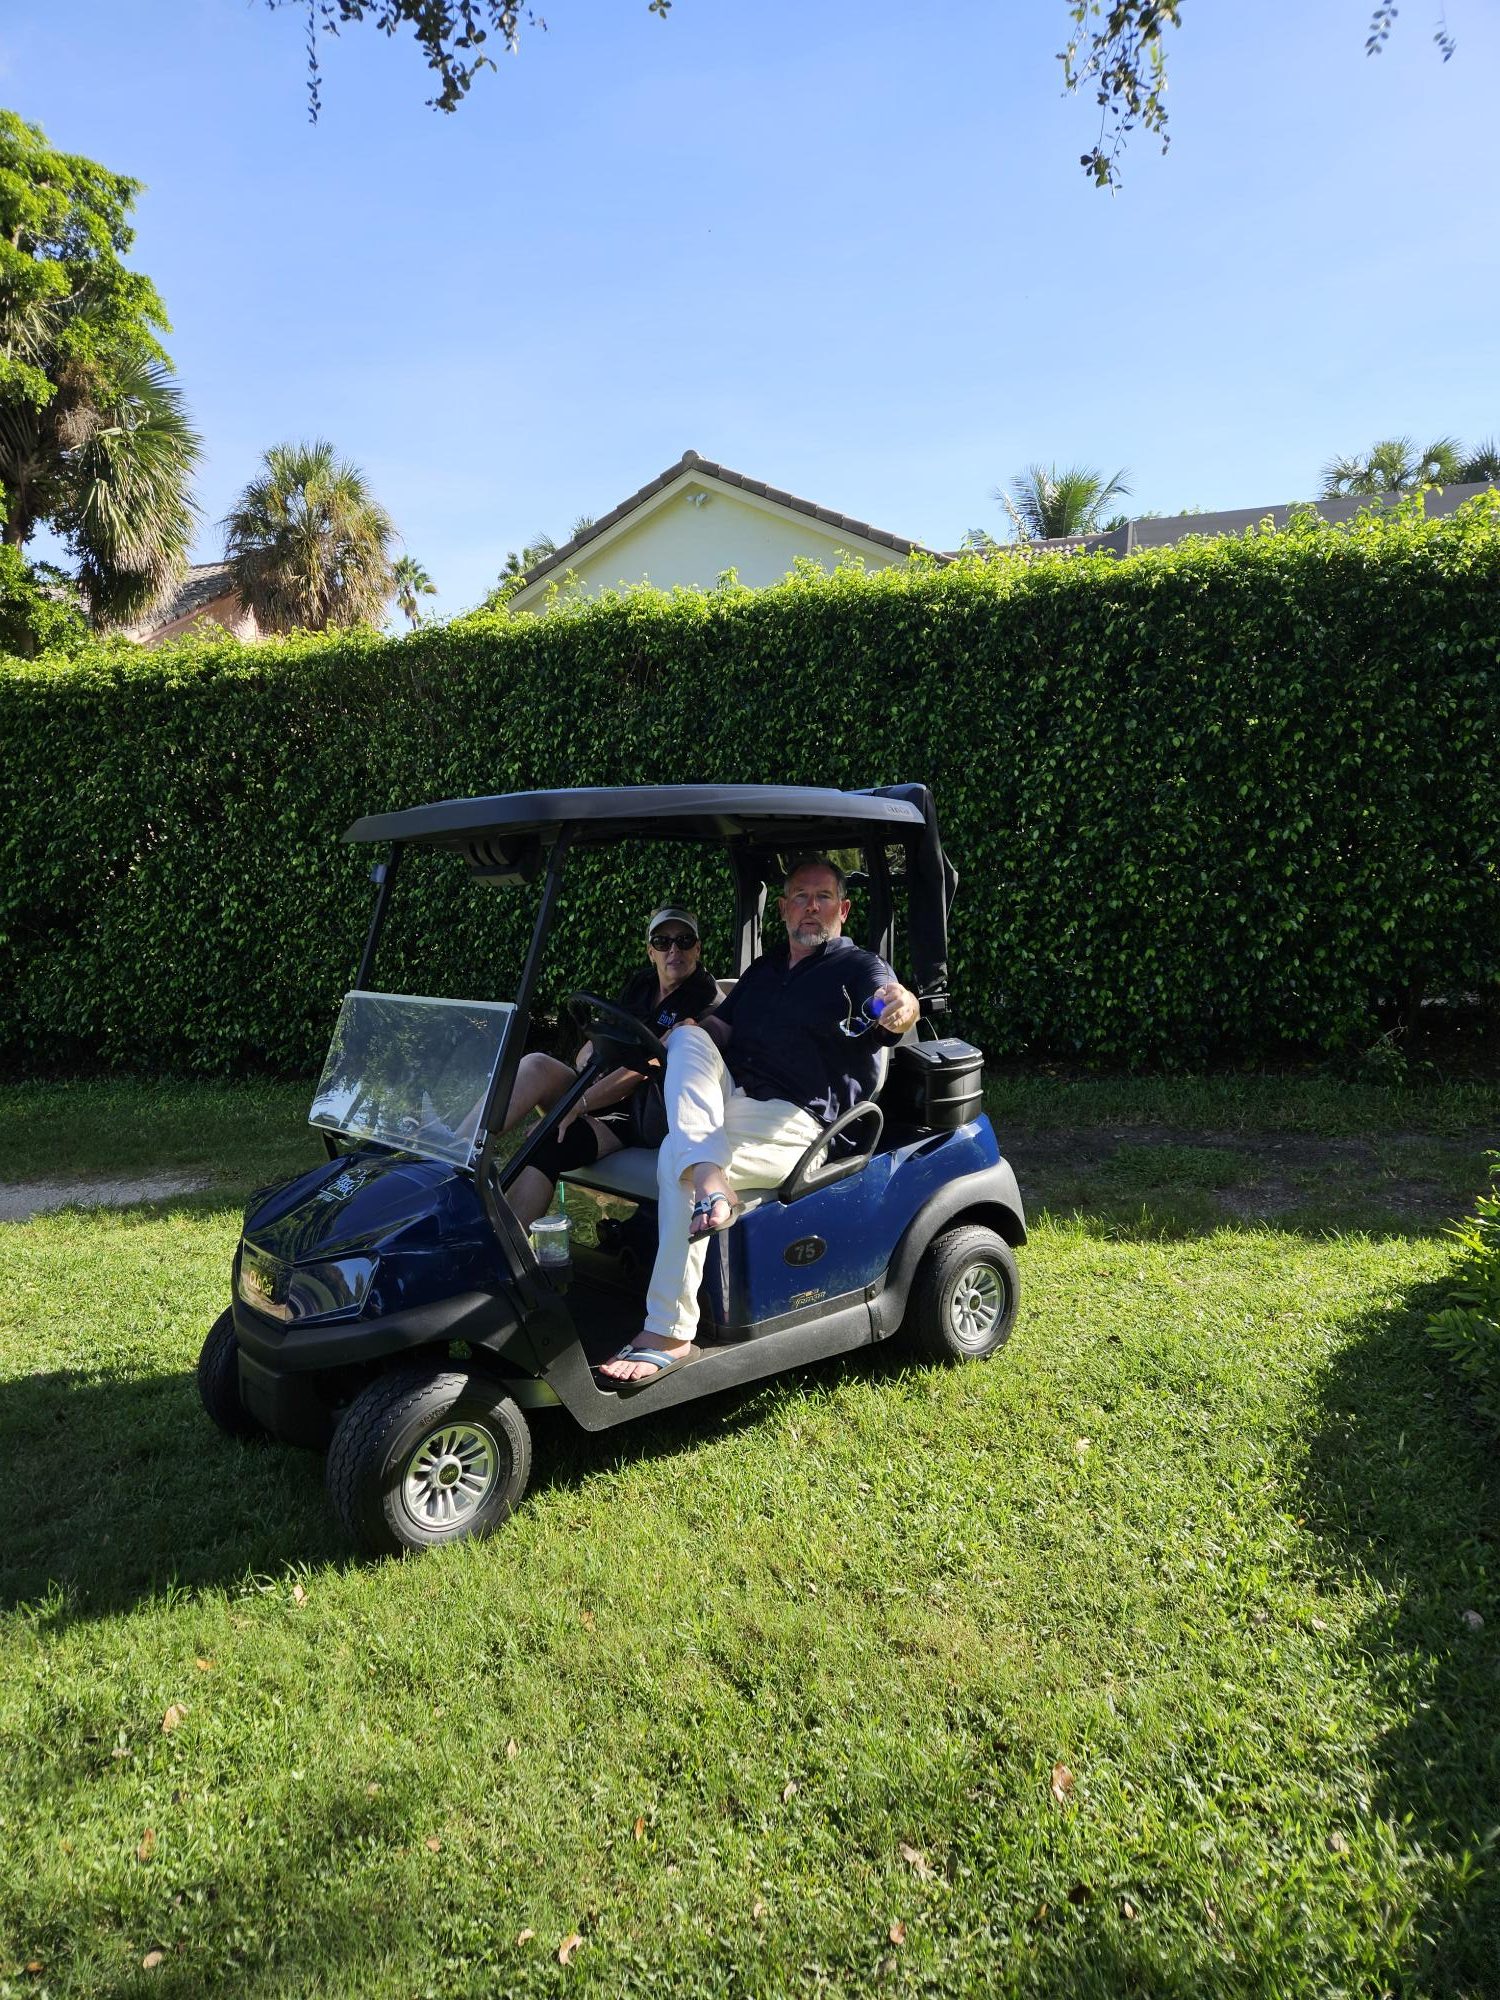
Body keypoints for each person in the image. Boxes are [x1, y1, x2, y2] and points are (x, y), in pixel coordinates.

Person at [598, 856, 920, 1385]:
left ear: (843, 909)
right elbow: (720, 1030)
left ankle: (671, 1330)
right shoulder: (765, 971)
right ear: (785, 909)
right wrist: (687, 1032)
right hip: (735, 1101)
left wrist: (900, 1006)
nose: (809, 907)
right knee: (687, 1037)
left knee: (677, 1162)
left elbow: (894, 1003)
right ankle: (712, 1176)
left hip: (799, 1120)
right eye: (798, 896)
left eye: (821, 898)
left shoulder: (858, 968)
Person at [502, 905, 717, 1229]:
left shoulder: (704, 1000)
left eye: (684, 941)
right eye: (662, 941)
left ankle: (500, 1249)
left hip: (641, 1109)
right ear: (650, 952)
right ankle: (455, 1151)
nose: (674, 949)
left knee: (550, 1143)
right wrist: (586, 1055)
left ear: (697, 949)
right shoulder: (642, 985)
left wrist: (580, 1103)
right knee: (535, 1065)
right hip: (601, 1086)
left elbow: (649, 1065)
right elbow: (608, 1026)